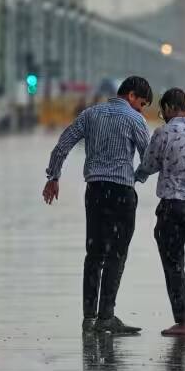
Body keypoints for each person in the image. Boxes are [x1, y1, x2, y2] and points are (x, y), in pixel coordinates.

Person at [42, 76, 153, 334]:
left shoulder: (90, 114)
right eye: (142, 103)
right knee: (116, 254)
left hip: (95, 192)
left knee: (94, 254)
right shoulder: (135, 120)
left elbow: (64, 143)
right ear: (132, 96)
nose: (141, 109)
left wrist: (53, 176)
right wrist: (138, 176)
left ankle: (89, 317)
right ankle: (106, 316)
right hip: (122, 193)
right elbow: (148, 158)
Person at [135, 88, 185, 337]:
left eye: (162, 111)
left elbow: (148, 166)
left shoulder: (163, 133)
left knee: (175, 265)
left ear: (169, 107)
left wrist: (136, 176)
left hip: (173, 207)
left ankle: (183, 322)